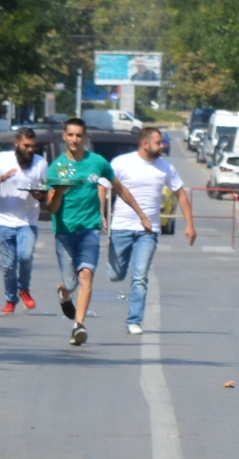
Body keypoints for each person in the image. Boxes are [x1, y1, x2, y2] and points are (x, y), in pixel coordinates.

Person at [47, 118, 151, 346]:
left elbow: (120, 189)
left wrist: (141, 215)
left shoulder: (98, 162)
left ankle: (78, 326)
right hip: (64, 232)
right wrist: (60, 191)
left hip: (90, 230)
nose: (75, 140)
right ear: (64, 137)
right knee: (70, 282)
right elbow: (50, 208)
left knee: (86, 276)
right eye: (71, 135)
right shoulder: (56, 167)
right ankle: (63, 293)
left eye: (79, 135)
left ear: (85, 137)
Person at [107, 127, 196, 335]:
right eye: (158, 142)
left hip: (148, 231)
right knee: (115, 275)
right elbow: (103, 186)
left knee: (140, 276)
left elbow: (181, 196)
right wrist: (100, 213)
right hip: (121, 227)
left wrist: (190, 225)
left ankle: (134, 321)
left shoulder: (165, 168)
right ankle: (115, 267)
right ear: (145, 144)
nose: (162, 146)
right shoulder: (121, 163)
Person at [0, 128, 48, 314]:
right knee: (9, 265)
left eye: (33, 147)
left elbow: (45, 190)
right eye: (26, 146)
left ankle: (24, 289)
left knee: (25, 257)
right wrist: (2, 178)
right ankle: (11, 299)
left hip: (28, 220)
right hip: (4, 220)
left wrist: (38, 194)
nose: (30, 150)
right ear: (16, 143)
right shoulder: (1, 159)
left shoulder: (40, 163)